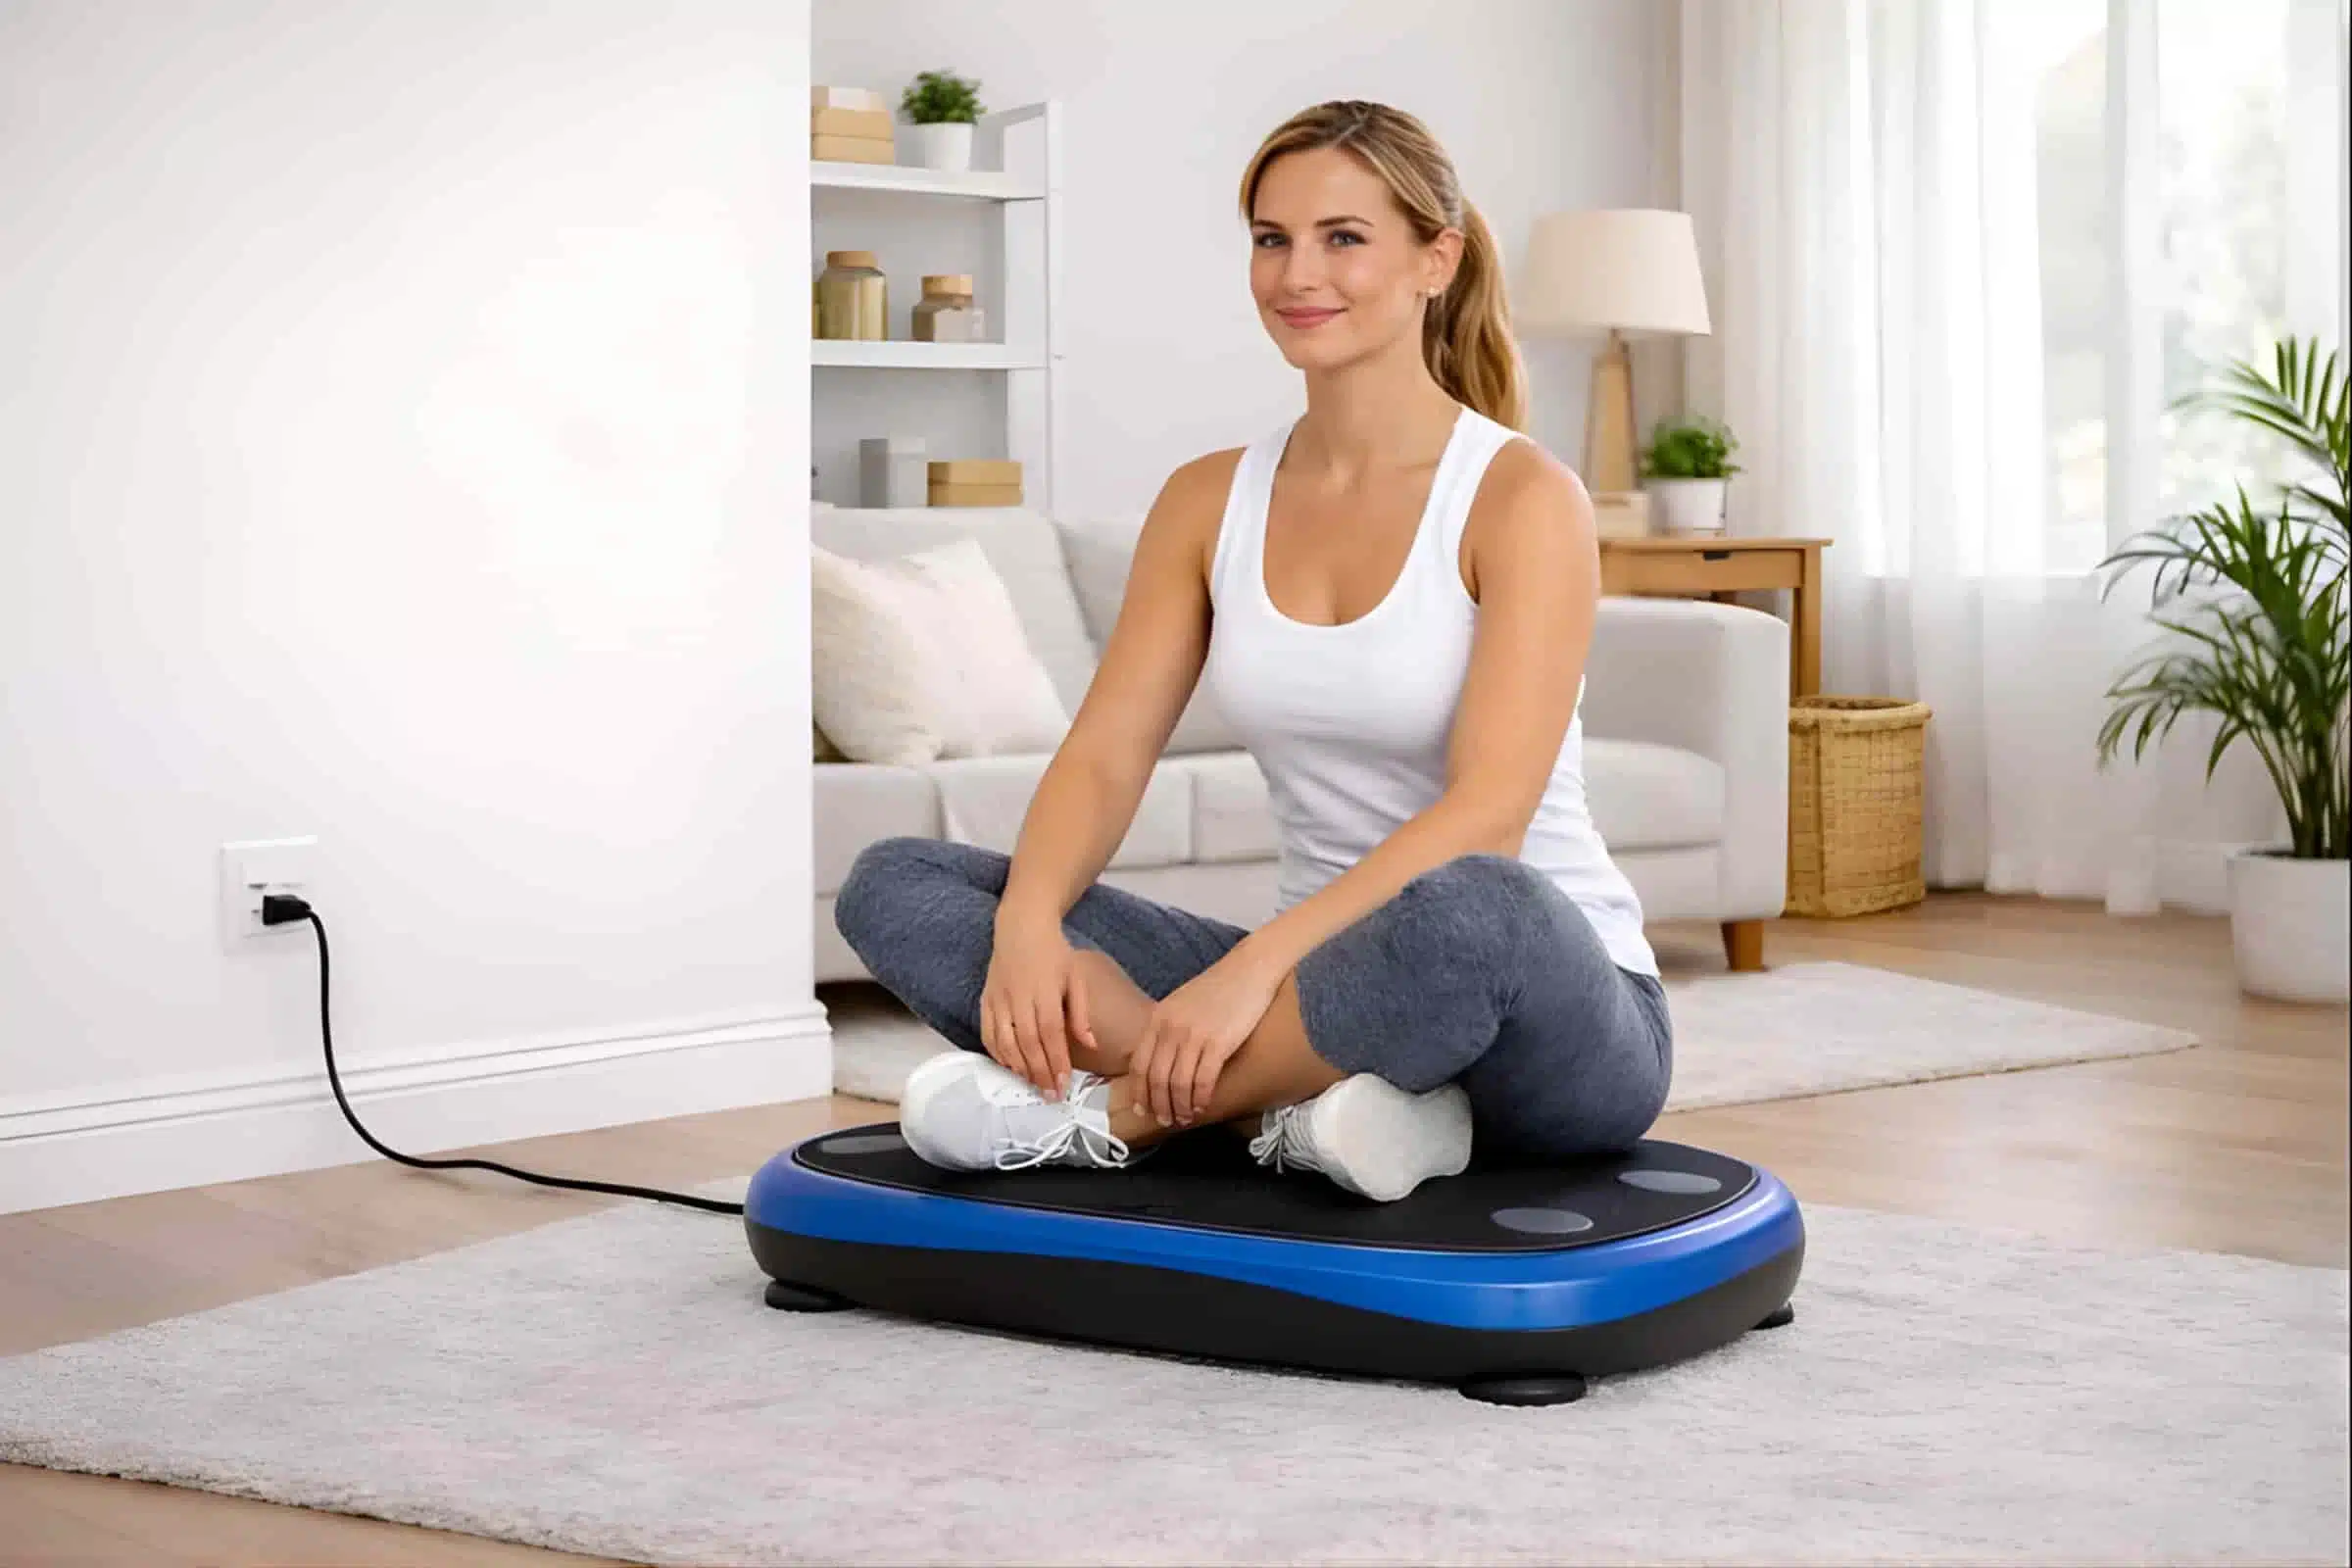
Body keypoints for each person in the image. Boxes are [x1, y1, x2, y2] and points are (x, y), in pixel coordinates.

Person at [833, 99, 1671, 1202]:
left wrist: (1248, 971)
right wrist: (1031, 927)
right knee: (899, 884)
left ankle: (1121, 1114)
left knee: (1482, 904)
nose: (1296, 274)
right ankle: (1330, 1108)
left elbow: (1490, 817)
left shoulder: (1521, 498)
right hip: (1310, 991)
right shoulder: (1208, 499)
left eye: (1343, 238)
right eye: (1271, 239)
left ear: (1437, 259)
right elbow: (1104, 756)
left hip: (1547, 1003)